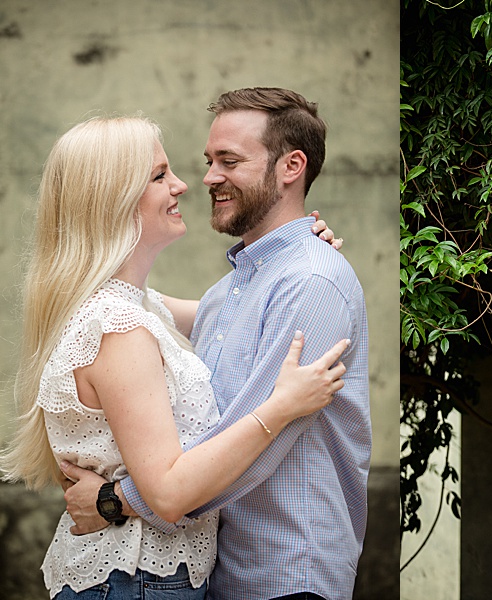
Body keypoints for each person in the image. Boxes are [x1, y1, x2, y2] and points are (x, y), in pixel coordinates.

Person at [0, 116, 350, 599]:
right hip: (138, 580)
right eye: (160, 175)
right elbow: (167, 492)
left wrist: (295, 249)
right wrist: (281, 406)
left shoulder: (136, 307)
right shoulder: (118, 327)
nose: (185, 184)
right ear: (114, 198)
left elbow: (230, 309)